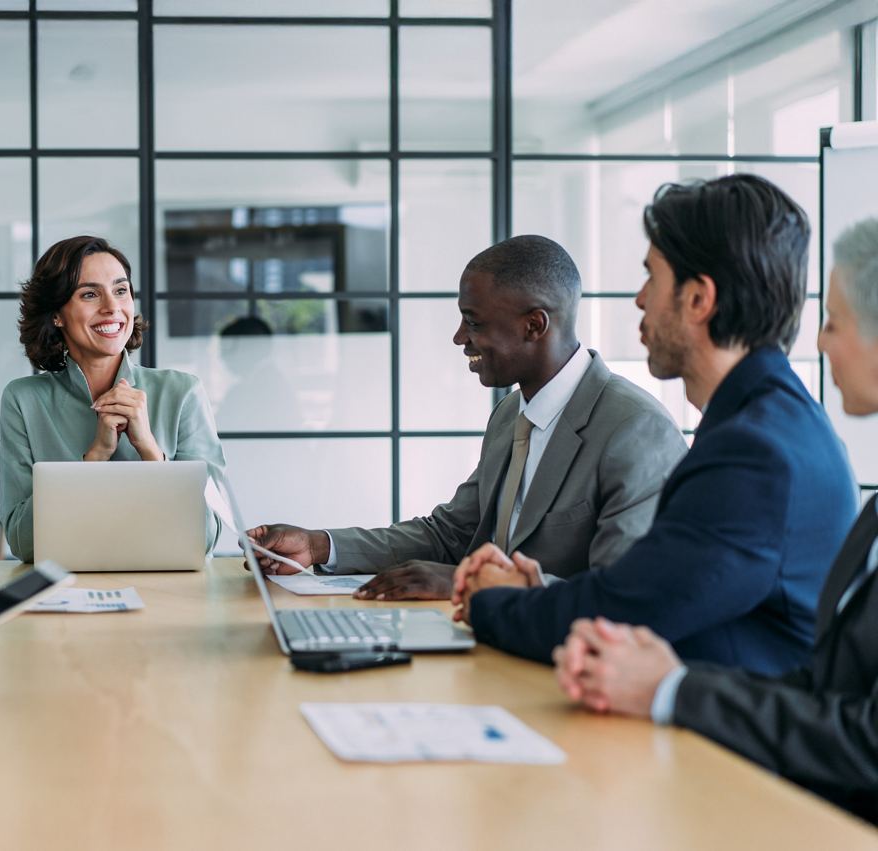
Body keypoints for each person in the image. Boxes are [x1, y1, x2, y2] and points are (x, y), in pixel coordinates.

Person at [454, 175, 855, 677]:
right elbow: (655, 590)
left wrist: (493, 601)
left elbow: (627, 613)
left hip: (723, 749)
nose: (640, 300)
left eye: (652, 278)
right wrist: (536, 592)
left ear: (698, 300)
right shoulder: (771, 421)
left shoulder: (755, 452)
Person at [551, 217, 878, 824]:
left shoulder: (761, 446)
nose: (822, 343)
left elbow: (867, 743)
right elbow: (828, 690)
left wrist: (673, 690)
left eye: (834, 322)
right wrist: (666, 681)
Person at [246, 235, 686, 599]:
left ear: (534, 326)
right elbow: (450, 535)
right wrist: (318, 545)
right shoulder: (512, 414)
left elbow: (624, 594)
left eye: (473, 322)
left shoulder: (635, 430)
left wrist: (472, 585)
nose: (460, 338)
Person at [0, 236, 226, 562]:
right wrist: (95, 456)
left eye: (121, 290)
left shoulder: (183, 392)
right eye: (90, 294)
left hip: (174, 597)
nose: (112, 307)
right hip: (64, 597)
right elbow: (24, 545)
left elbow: (205, 538)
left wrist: (150, 449)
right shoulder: (23, 401)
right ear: (56, 315)